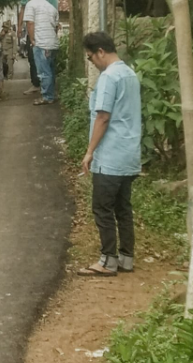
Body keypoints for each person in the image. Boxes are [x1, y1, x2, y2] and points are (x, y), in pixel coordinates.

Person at [77, 32, 142, 277]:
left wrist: (89, 151)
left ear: (101, 52)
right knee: (123, 208)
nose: (92, 62)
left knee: (102, 208)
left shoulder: (109, 77)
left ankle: (107, 261)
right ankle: (126, 258)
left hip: (110, 155)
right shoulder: (130, 74)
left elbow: (103, 116)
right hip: (129, 153)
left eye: (90, 57)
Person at [17, 0, 58, 95]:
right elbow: (23, 9)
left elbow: (55, 16)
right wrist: (19, 27)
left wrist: (53, 33)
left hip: (45, 32)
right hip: (33, 32)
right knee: (32, 58)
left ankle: (49, 91)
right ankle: (36, 84)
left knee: (47, 63)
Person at [23, 0, 59, 106]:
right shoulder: (51, 7)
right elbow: (56, 27)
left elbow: (30, 23)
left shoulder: (31, 4)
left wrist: (32, 39)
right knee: (51, 70)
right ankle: (51, 94)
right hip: (52, 43)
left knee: (44, 72)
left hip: (41, 43)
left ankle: (47, 97)